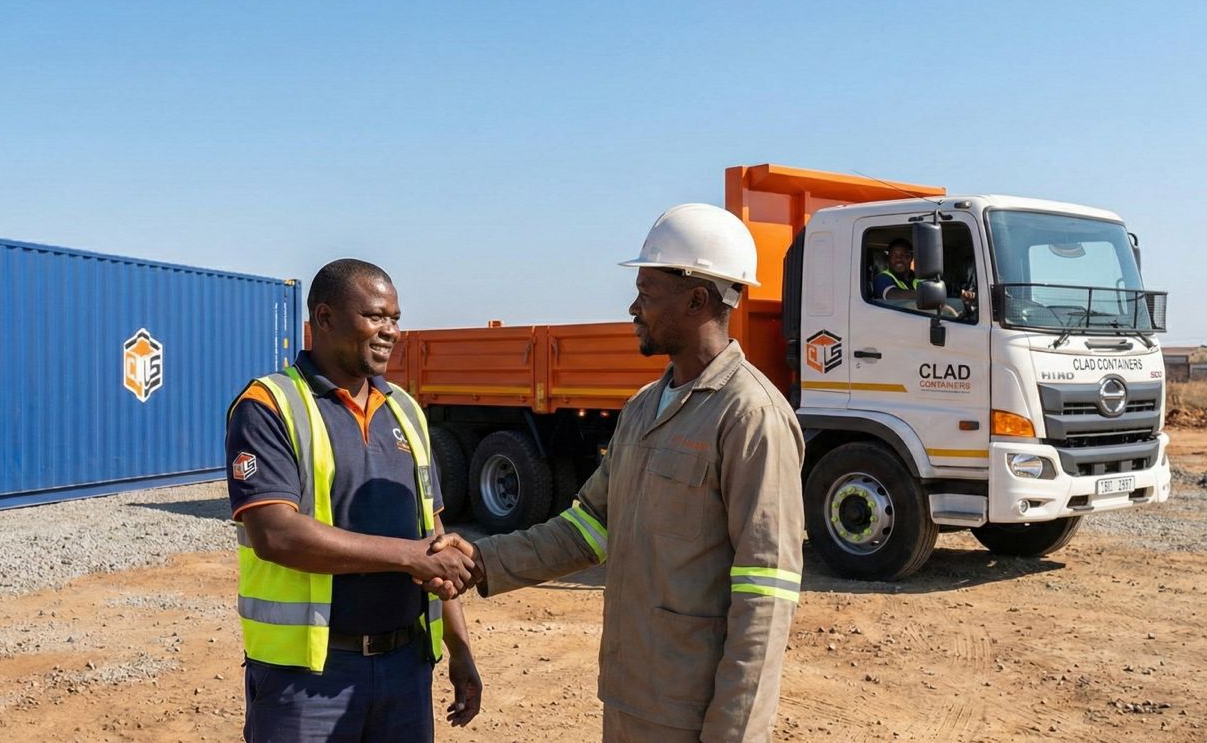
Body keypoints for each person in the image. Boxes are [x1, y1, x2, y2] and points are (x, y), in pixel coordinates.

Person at [430, 203, 806, 742]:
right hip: (631, 694)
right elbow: (586, 528)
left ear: (696, 299)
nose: (634, 307)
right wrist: (483, 561)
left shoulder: (751, 417)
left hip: (696, 711)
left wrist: (735, 731)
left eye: (648, 293)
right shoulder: (642, 409)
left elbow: (765, 594)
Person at [227, 258, 483, 742]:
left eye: (395, 319)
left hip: (404, 670)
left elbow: (432, 540)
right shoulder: (269, 405)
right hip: (306, 680)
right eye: (375, 316)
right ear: (324, 318)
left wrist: (460, 646)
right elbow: (276, 534)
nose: (390, 331)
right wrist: (409, 557)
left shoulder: (405, 410)